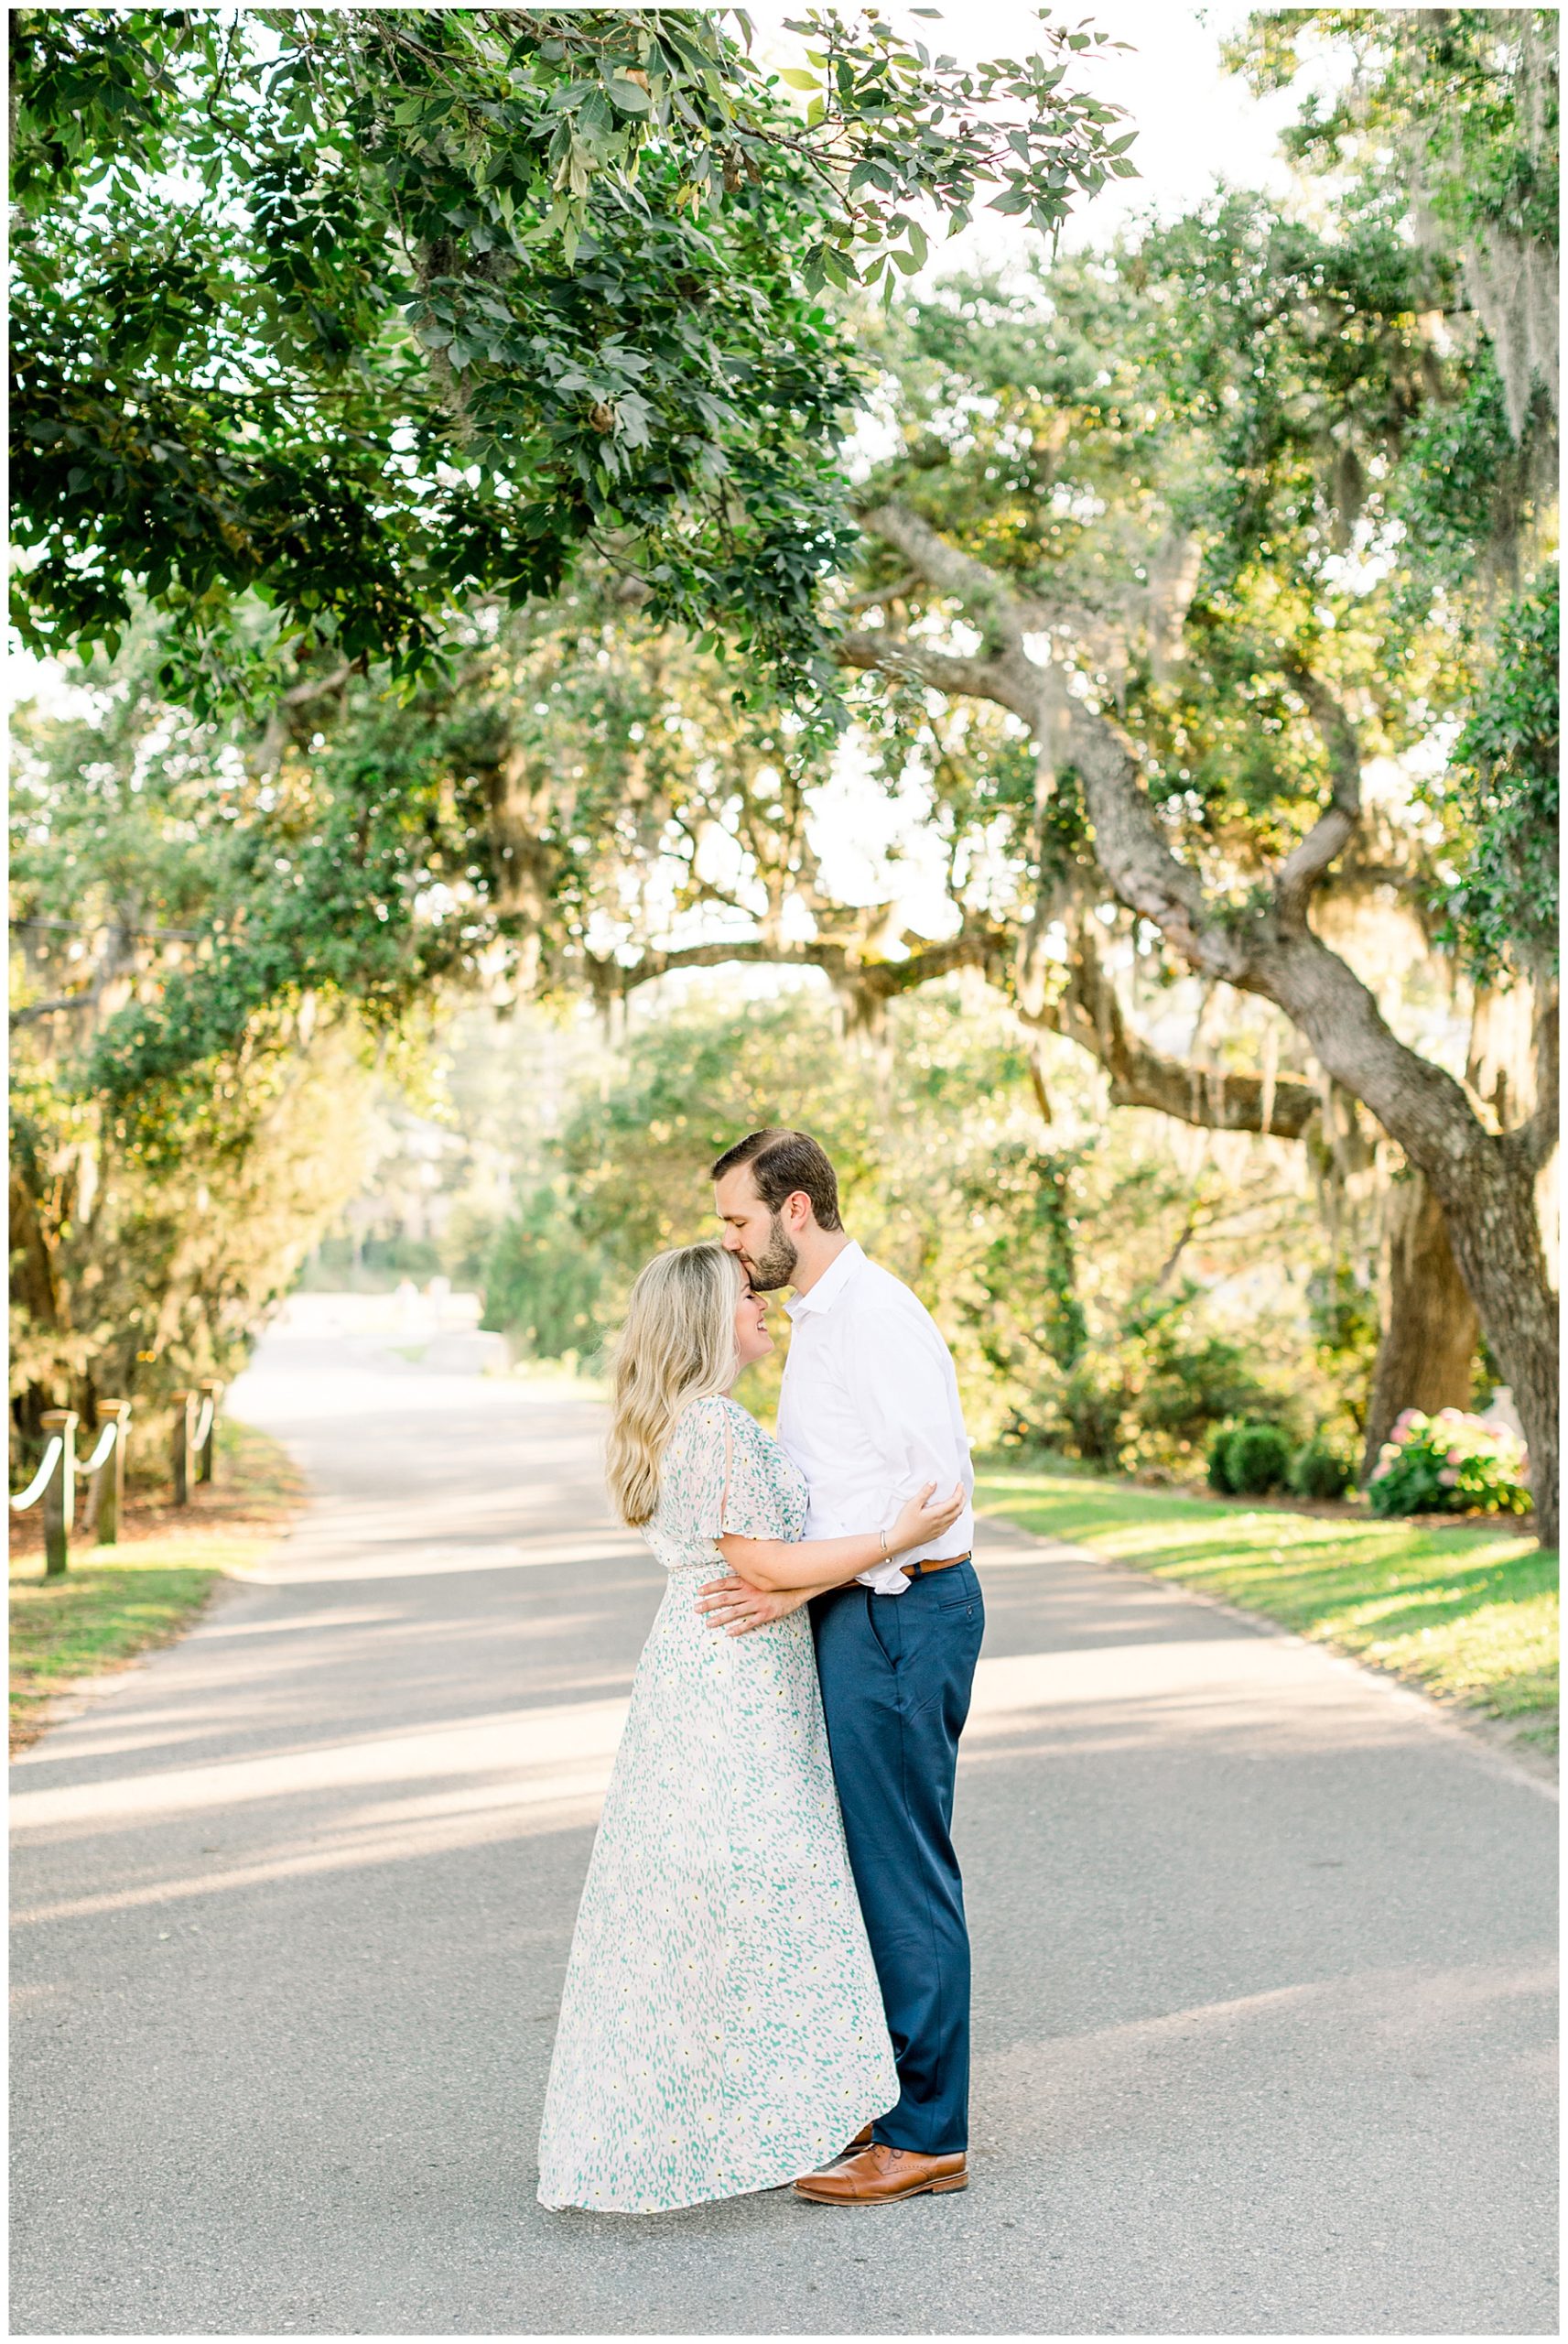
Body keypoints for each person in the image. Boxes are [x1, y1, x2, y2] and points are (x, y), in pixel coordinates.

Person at [535, 1241, 964, 2216]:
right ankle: (756, 2104)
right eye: (742, 1293)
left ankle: (787, 2095)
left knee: (739, 1890)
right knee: (766, 1884)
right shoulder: (717, 1426)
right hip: (734, 1683)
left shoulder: (702, 1423)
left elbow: (765, 1570)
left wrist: (791, 1585)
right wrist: (897, 1537)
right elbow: (760, 1563)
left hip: (721, 1662)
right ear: (704, 1320)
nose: (760, 1298)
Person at [699, 1129, 983, 2207]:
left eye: (738, 1220)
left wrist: (801, 1584)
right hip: (857, 1612)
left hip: (901, 1619)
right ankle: (891, 2098)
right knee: (861, 1867)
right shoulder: (818, 1321)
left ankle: (928, 2132)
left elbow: (935, 1492)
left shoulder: (875, 1318)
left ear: (797, 1211)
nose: (729, 1243)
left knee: (904, 1869)